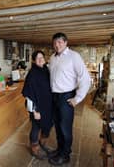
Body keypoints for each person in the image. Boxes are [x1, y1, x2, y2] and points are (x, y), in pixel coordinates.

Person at [48, 32, 91, 165]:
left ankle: (65, 155)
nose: (57, 45)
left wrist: (77, 98)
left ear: (66, 43)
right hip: (54, 96)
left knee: (65, 127)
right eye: (55, 43)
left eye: (60, 42)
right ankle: (60, 149)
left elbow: (85, 78)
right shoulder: (52, 58)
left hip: (66, 96)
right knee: (57, 125)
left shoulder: (74, 56)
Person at [22, 50, 53, 159]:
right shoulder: (32, 74)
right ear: (34, 61)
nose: (40, 60)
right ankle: (34, 148)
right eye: (38, 58)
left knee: (47, 125)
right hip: (37, 107)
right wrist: (34, 111)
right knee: (36, 127)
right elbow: (29, 94)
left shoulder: (46, 70)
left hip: (47, 106)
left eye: (42, 58)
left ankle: (42, 143)